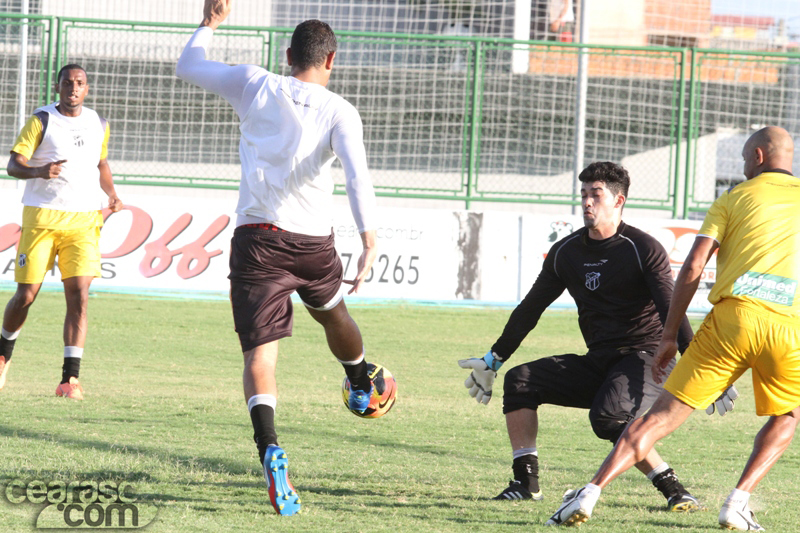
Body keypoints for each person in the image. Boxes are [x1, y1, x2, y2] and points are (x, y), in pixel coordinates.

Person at [176, 0, 378, 517]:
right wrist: (369, 238)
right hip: (313, 244)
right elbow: (357, 176)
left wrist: (210, 24)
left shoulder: (255, 82)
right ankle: (359, 383)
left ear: (288, 54)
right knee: (335, 313)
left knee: (260, 358)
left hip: (258, 238)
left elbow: (189, 66)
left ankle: (269, 447)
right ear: (331, 61)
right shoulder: (340, 111)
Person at [545, 127, 799, 531]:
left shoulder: (732, 199)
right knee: (788, 414)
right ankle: (738, 501)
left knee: (656, 419)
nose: (741, 164)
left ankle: (589, 493)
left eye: (743, 158)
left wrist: (668, 337)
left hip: (732, 321)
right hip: (788, 327)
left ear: (757, 157)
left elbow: (695, 267)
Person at [459, 161, 708, 511]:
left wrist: (701, 367)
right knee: (521, 382)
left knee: (607, 418)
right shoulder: (567, 251)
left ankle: (674, 489)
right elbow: (531, 307)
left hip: (647, 358)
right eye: (584, 195)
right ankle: (525, 483)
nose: (588, 202)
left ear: (618, 201)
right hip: (600, 359)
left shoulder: (642, 248)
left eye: (597, 195)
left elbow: (672, 310)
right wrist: (494, 358)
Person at [0, 64, 123, 399]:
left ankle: (70, 380)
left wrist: (111, 193)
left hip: (84, 221)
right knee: (26, 295)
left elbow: (101, 163)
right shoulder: (42, 120)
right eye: (68, 82)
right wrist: (40, 170)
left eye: (80, 83)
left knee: (79, 296)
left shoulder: (99, 123)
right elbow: (13, 164)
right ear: (57, 86)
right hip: (42, 218)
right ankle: (3, 354)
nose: (73, 88)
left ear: (87, 88)